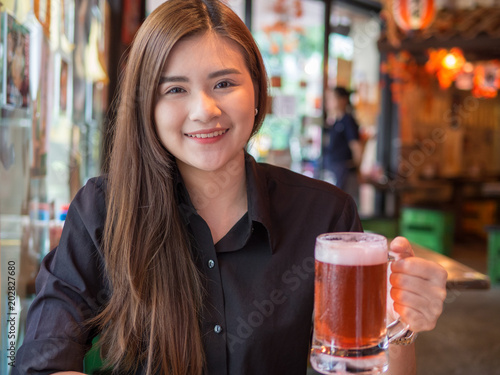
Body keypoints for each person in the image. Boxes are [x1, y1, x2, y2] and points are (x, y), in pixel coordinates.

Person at [14, 1, 447, 374]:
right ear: (146, 105)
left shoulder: (325, 216)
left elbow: (360, 362)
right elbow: (43, 358)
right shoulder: (105, 210)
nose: (205, 109)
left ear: (257, 90)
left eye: (224, 83)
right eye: (175, 89)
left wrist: (398, 326)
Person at [322, 86, 363, 202]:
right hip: (334, 169)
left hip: (344, 170)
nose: (328, 102)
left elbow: (356, 146)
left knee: (343, 202)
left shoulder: (348, 120)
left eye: (331, 98)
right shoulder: (334, 121)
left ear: (343, 100)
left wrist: (356, 167)